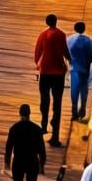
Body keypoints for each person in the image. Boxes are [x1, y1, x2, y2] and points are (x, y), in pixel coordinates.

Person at [6, 102, 47, 181]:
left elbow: (9, 147)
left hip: (18, 160)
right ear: (29, 114)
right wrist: (42, 165)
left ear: (19, 113)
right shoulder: (37, 129)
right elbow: (41, 150)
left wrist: (7, 162)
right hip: (32, 161)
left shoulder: (14, 128)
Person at [35, 14, 69, 144]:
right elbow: (65, 51)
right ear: (56, 22)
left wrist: (38, 64)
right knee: (57, 102)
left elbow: (37, 52)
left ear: (47, 22)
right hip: (58, 73)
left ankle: (43, 125)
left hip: (45, 71)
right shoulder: (62, 35)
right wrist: (70, 60)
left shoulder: (43, 35)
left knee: (44, 99)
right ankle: (55, 133)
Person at [69, 21, 92, 122]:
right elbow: (91, 56)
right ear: (84, 29)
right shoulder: (89, 41)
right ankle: (82, 111)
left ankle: (74, 112)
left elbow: (67, 53)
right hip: (85, 69)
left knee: (74, 91)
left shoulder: (70, 39)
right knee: (83, 91)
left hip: (74, 69)